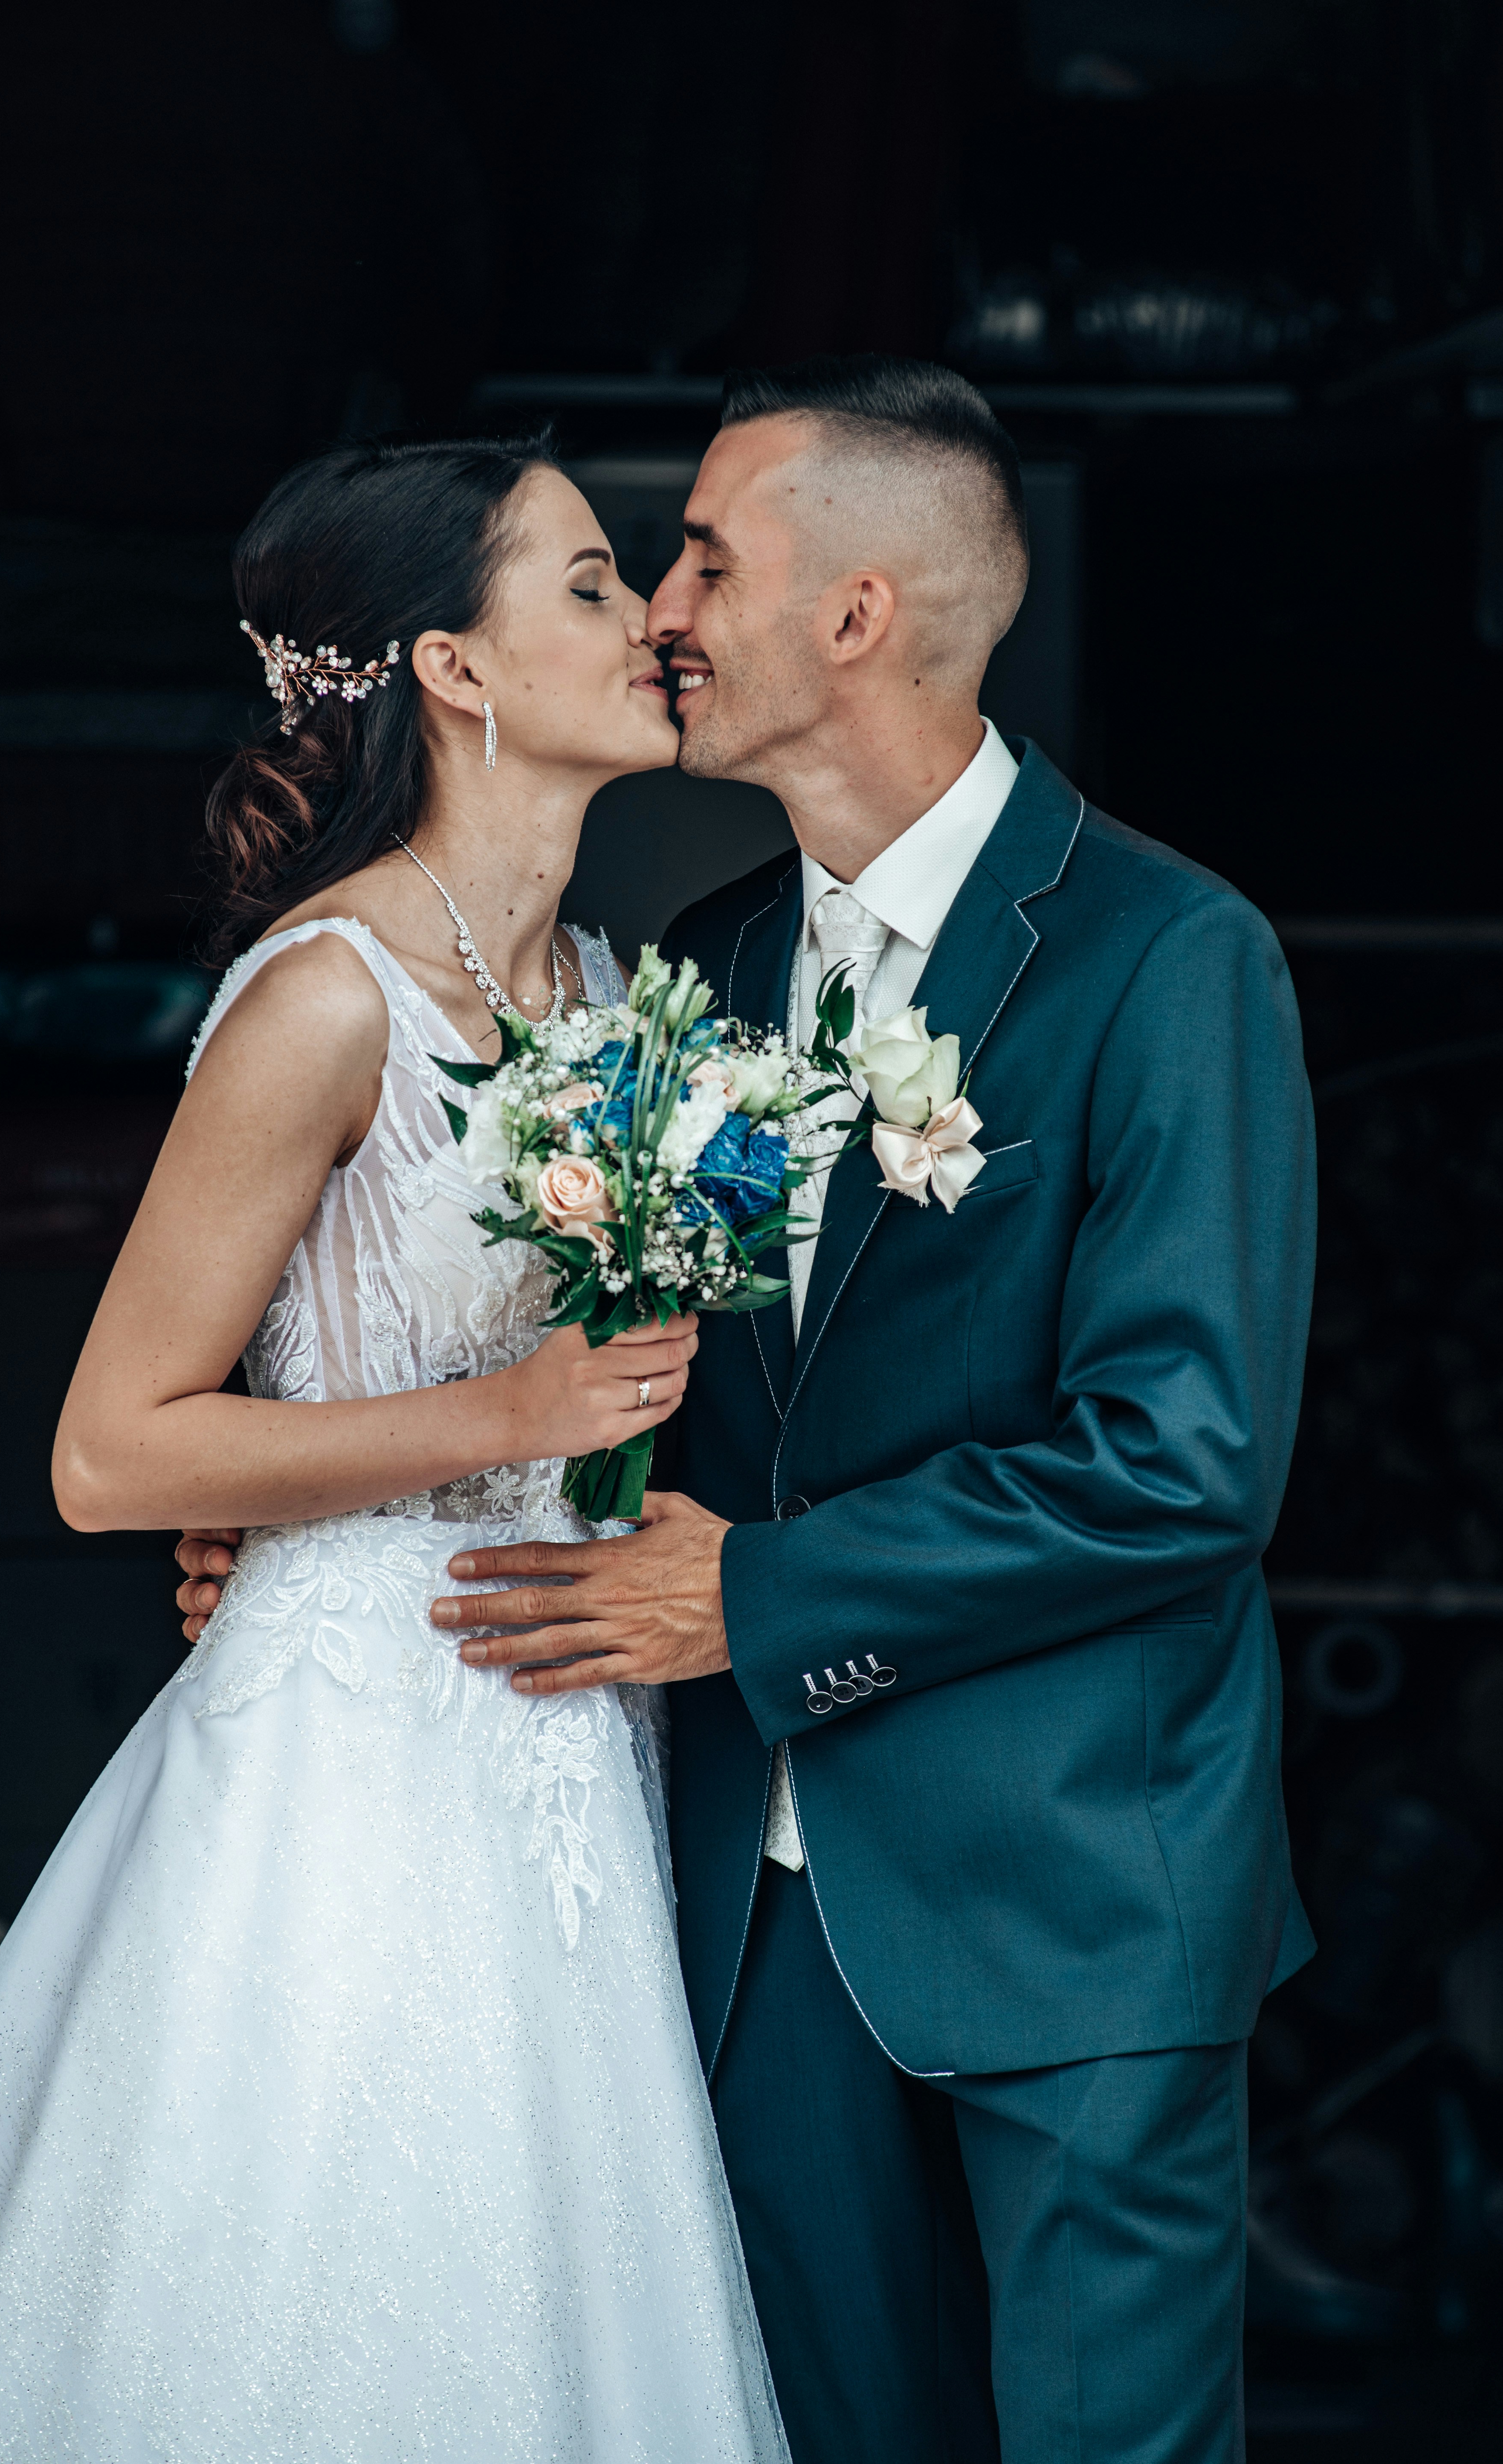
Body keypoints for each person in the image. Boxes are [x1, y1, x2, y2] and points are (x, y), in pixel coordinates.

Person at [344, 356, 1318, 2464]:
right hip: (753, 1915)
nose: (663, 605)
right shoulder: (701, 963)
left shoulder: (1169, 957)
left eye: (705, 556)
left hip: (1074, 1902)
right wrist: (326, 1529)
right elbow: (633, 1403)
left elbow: (1186, 1463)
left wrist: (763, 1602)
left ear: (856, 615)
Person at [0, 437, 791, 2464]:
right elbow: (113, 1450)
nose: (654, 623)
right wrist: (506, 1418)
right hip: (347, 1758)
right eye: (595, 581)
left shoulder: (624, 997)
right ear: (453, 667)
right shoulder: (325, 996)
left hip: (570, 1748)